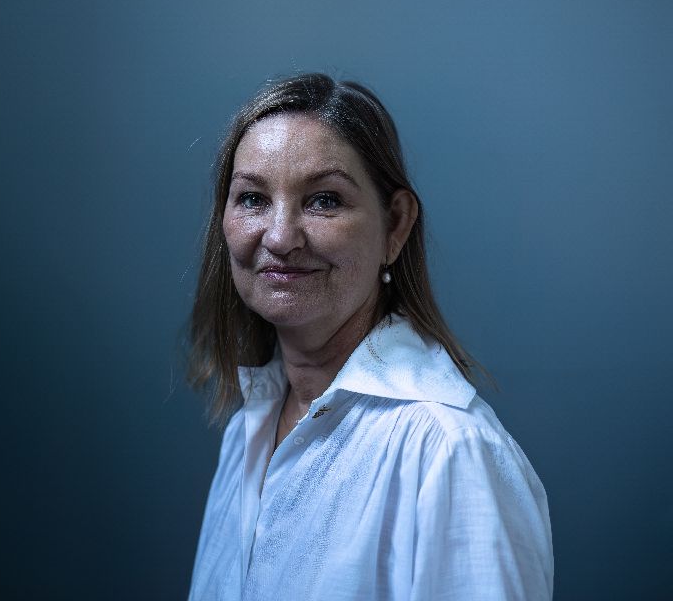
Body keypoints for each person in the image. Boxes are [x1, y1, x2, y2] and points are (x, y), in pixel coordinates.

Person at [186, 73, 553, 600]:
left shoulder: (450, 453)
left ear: (395, 226)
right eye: (252, 198)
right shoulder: (248, 433)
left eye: (324, 200)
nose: (281, 236)